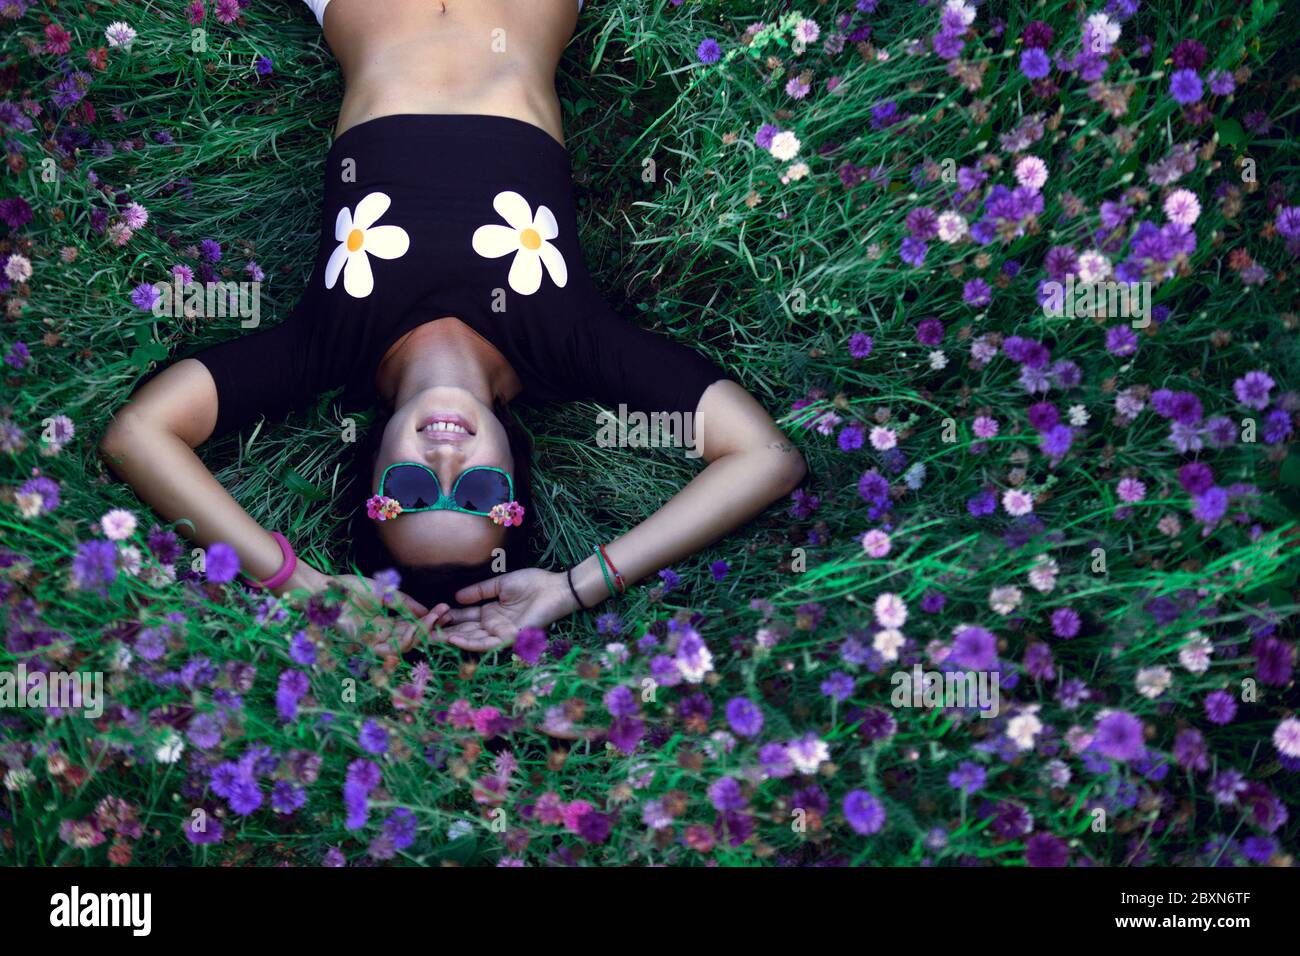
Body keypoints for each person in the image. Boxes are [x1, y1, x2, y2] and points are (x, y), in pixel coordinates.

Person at [99, 0, 806, 655]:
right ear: (516, 480)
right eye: (476, 497)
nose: (444, 462)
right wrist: (574, 586)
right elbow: (767, 456)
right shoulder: (569, 344)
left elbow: (138, 437)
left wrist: (304, 590)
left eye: (407, 491)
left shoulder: (325, 348)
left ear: (371, 466)